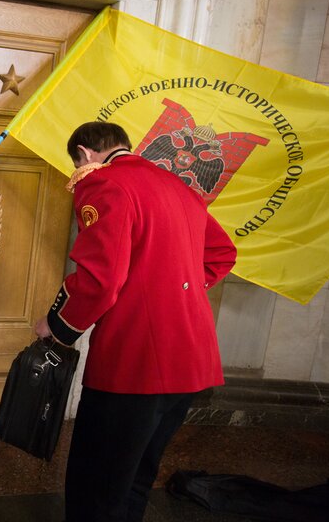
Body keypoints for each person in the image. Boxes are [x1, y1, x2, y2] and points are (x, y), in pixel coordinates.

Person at [34, 121, 237, 522]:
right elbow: (221, 254)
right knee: (137, 477)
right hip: (190, 361)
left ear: (85, 154)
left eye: (77, 163)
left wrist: (56, 327)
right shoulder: (179, 186)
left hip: (136, 363)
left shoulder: (104, 183)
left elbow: (100, 278)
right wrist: (171, 289)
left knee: (97, 484)